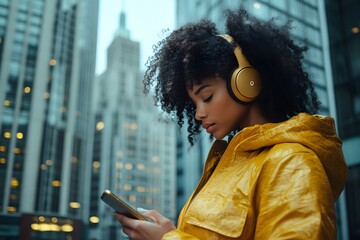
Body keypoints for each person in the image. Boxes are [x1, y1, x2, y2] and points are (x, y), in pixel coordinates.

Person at [115, 7, 348, 240]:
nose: (198, 114)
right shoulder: (225, 166)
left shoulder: (292, 162)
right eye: (194, 104)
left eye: (206, 97)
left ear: (246, 82)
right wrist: (170, 231)